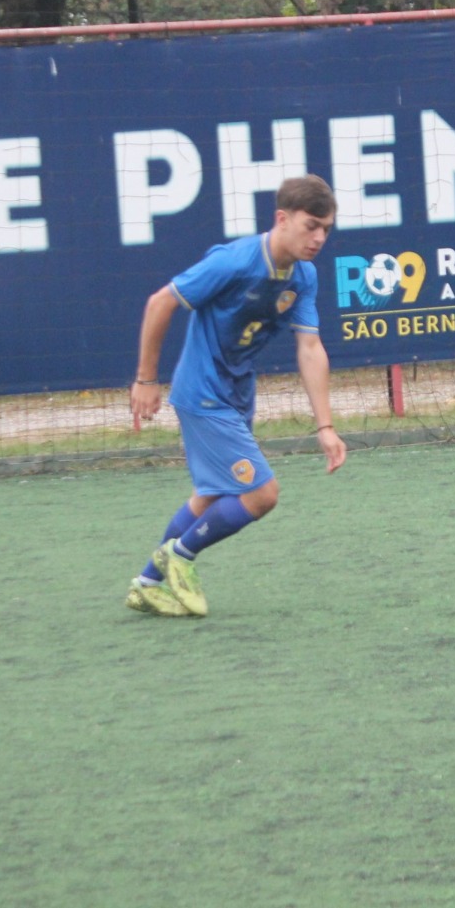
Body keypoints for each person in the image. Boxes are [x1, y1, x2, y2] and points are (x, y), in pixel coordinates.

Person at [125, 174, 347, 617]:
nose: (319, 237)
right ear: (281, 219)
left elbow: (309, 346)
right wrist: (146, 379)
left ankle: (147, 583)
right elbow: (159, 303)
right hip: (203, 394)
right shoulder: (235, 261)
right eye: (311, 226)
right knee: (262, 493)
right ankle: (180, 557)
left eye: (326, 229)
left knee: (211, 495)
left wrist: (325, 426)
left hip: (237, 393)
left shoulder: (303, 276)